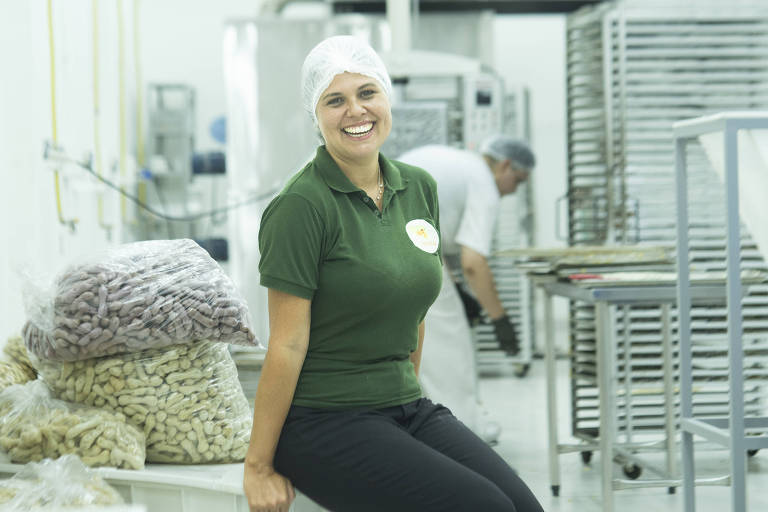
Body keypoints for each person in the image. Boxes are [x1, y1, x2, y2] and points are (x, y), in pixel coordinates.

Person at [242, 35, 544, 512]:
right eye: (335, 100)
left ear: (387, 98)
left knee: (524, 506)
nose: (356, 111)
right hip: (324, 419)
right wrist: (258, 464)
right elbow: (286, 343)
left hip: (404, 406)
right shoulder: (301, 205)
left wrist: (408, 396)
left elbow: (413, 308)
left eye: (367, 93)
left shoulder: (417, 187)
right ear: (315, 115)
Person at [397, 137, 535, 442]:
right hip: (407, 250)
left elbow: (434, 232)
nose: (515, 190)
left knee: (412, 344)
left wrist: (457, 289)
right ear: (506, 166)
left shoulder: (456, 162)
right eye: (519, 181)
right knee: (450, 343)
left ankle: (415, 421)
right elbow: (474, 262)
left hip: (381, 240)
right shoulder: (484, 184)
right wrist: (500, 320)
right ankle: (460, 427)